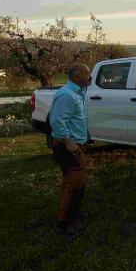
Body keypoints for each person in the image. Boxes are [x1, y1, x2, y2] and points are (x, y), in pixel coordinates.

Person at [49, 63, 91, 232]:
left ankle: (69, 215)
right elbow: (57, 122)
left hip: (74, 144)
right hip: (66, 146)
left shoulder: (78, 92)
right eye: (87, 73)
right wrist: (69, 143)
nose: (90, 76)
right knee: (77, 182)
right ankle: (65, 222)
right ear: (76, 77)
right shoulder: (67, 95)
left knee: (70, 180)